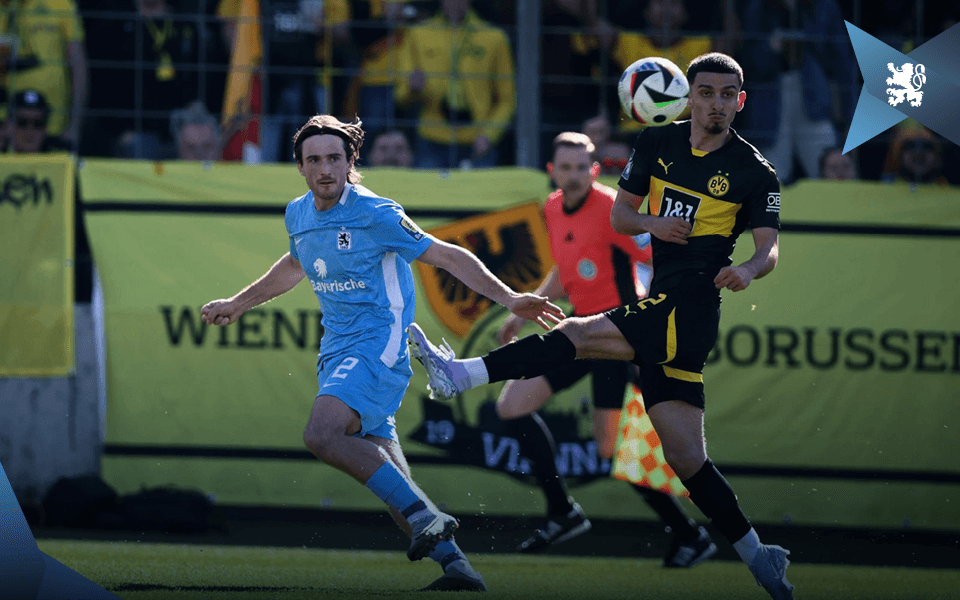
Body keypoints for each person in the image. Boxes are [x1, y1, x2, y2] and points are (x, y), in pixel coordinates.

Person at [408, 53, 795, 600]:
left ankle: (460, 375)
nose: (715, 104)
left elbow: (769, 245)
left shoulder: (755, 171)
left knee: (580, 337)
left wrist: (750, 268)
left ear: (740, 100)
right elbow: (624, 217)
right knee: (686, 459)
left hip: (690, 306)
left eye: (726, 94)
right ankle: (761, 558)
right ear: (689, 97)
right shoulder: (658, 144)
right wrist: (654, 222)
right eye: (705, 92)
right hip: (662, 309)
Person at [200, 114, 563, 593]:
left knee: (323, 433)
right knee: (397, 492)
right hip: (338, 349)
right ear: (301, 168)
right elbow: (294, 265)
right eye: (314, 160)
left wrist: (511, 298)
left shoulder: (377, 212)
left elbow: (447, 255)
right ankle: (460, 571)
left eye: (334, 158)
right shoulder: (298, 214)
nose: (325, 168)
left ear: (351, 162)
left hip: (381, 343)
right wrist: (237, 304)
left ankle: (428, 517)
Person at [496, 131, 717, 568]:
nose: (574, 174)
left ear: (595, 170)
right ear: (552, 171)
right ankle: (562, 512)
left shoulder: (613, 210)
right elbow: (565, 265)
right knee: (512, 407)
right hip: (580, 335)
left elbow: (662, 257)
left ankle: (690, 535)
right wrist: (525, 310)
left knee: (610, 448)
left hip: (617, 340)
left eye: (582, 167)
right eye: (566, 167)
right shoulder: (553, 207)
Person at [739, 0, 858, 184]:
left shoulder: (824, 6)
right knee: (771, 178)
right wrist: (770, 48)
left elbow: (843, 64)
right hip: (768, 104)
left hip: (816, 99)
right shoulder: (757, 6)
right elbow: (745, 63)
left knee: (833, 171)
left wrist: (851, 118)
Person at [393, 0, 516, 169]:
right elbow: (399, 96)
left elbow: (507, 99)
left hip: (477, 140)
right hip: (431, 138)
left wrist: (489, 135)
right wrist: (412, 89)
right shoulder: (418, 34)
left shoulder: (494, 37)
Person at [0, 0, 88, 150]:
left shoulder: (61, 4)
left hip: (54, 127)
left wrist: (74, 127)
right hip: (5, 127)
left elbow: (78, 65)